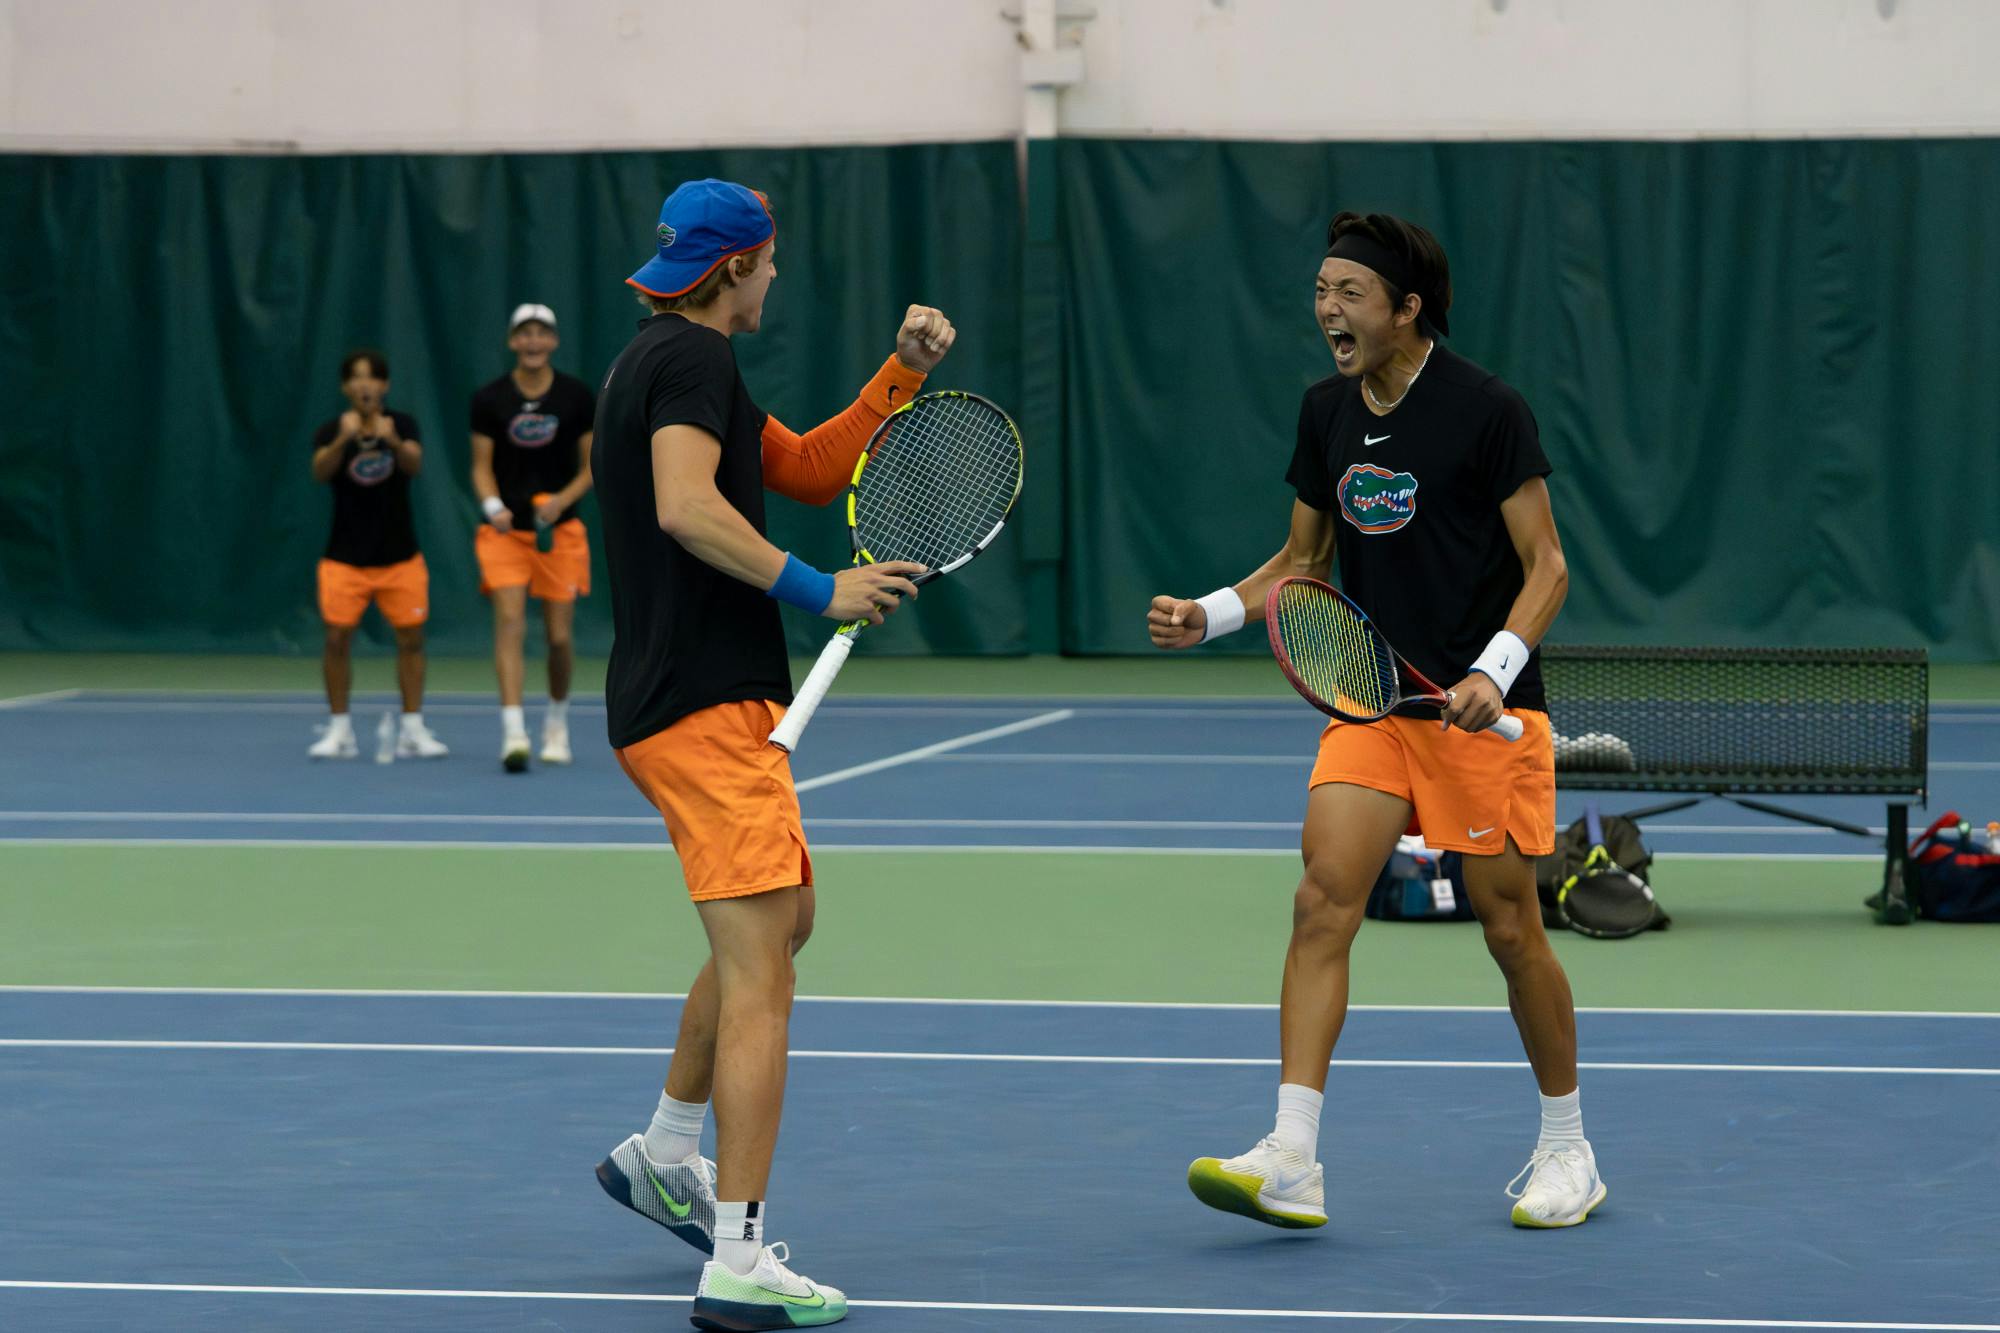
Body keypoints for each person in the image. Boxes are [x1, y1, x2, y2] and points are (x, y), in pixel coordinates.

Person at [1149, 211, 1602, 1233]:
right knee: (1322, 900)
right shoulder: (1325, 412)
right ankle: (1291, 1156)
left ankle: (1567, 1146)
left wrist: (1494, 669)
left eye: (1349, 293)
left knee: (1509, 928)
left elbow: (1547, 568)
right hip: (1374, 701)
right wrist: (1209, 613)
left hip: (1482, 711)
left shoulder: (1487, 410)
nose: (1327, 310)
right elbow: (1301, 563)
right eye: (1321, 291)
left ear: (1407, 310)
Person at [588, 177, 953, 1328]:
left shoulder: (666, 360)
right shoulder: (691, 361)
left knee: (784, 919)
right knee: (763, 980)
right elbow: (685, 507)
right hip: (700, 705)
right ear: (736, 267)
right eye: (770, 259)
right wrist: (817, 586)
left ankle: (663, 1152)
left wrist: (898, 376)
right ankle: (738, 1257)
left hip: (686, 702)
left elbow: (804, 470)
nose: (778, 275)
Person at [470, 303, 596, 772]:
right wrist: (493, 507)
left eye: (542, 333)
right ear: (513, 342)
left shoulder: (576, 396)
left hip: (560, 533)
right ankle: (513, 732)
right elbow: (480, 467)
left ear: (554, 341)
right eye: (525, 333)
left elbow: (591, 467)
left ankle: (556, 724)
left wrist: (562, 500)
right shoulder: (489, 399)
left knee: (559, 638)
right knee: (509, 622)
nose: (533, 341)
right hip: (505, 534)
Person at [306, 349, 449, 761]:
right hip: (344, 558)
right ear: (345, 387)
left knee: (412, 639)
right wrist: (343, 438)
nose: (364, 385)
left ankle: (413, 729)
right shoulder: (331, 430)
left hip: (400, 557)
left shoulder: (403, 425)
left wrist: (392, 440)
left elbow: (414, 464)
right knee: (336, 640)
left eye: (371, 377)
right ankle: (339, 731)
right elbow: (320, 472)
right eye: (356, 378)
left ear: (384, 385)